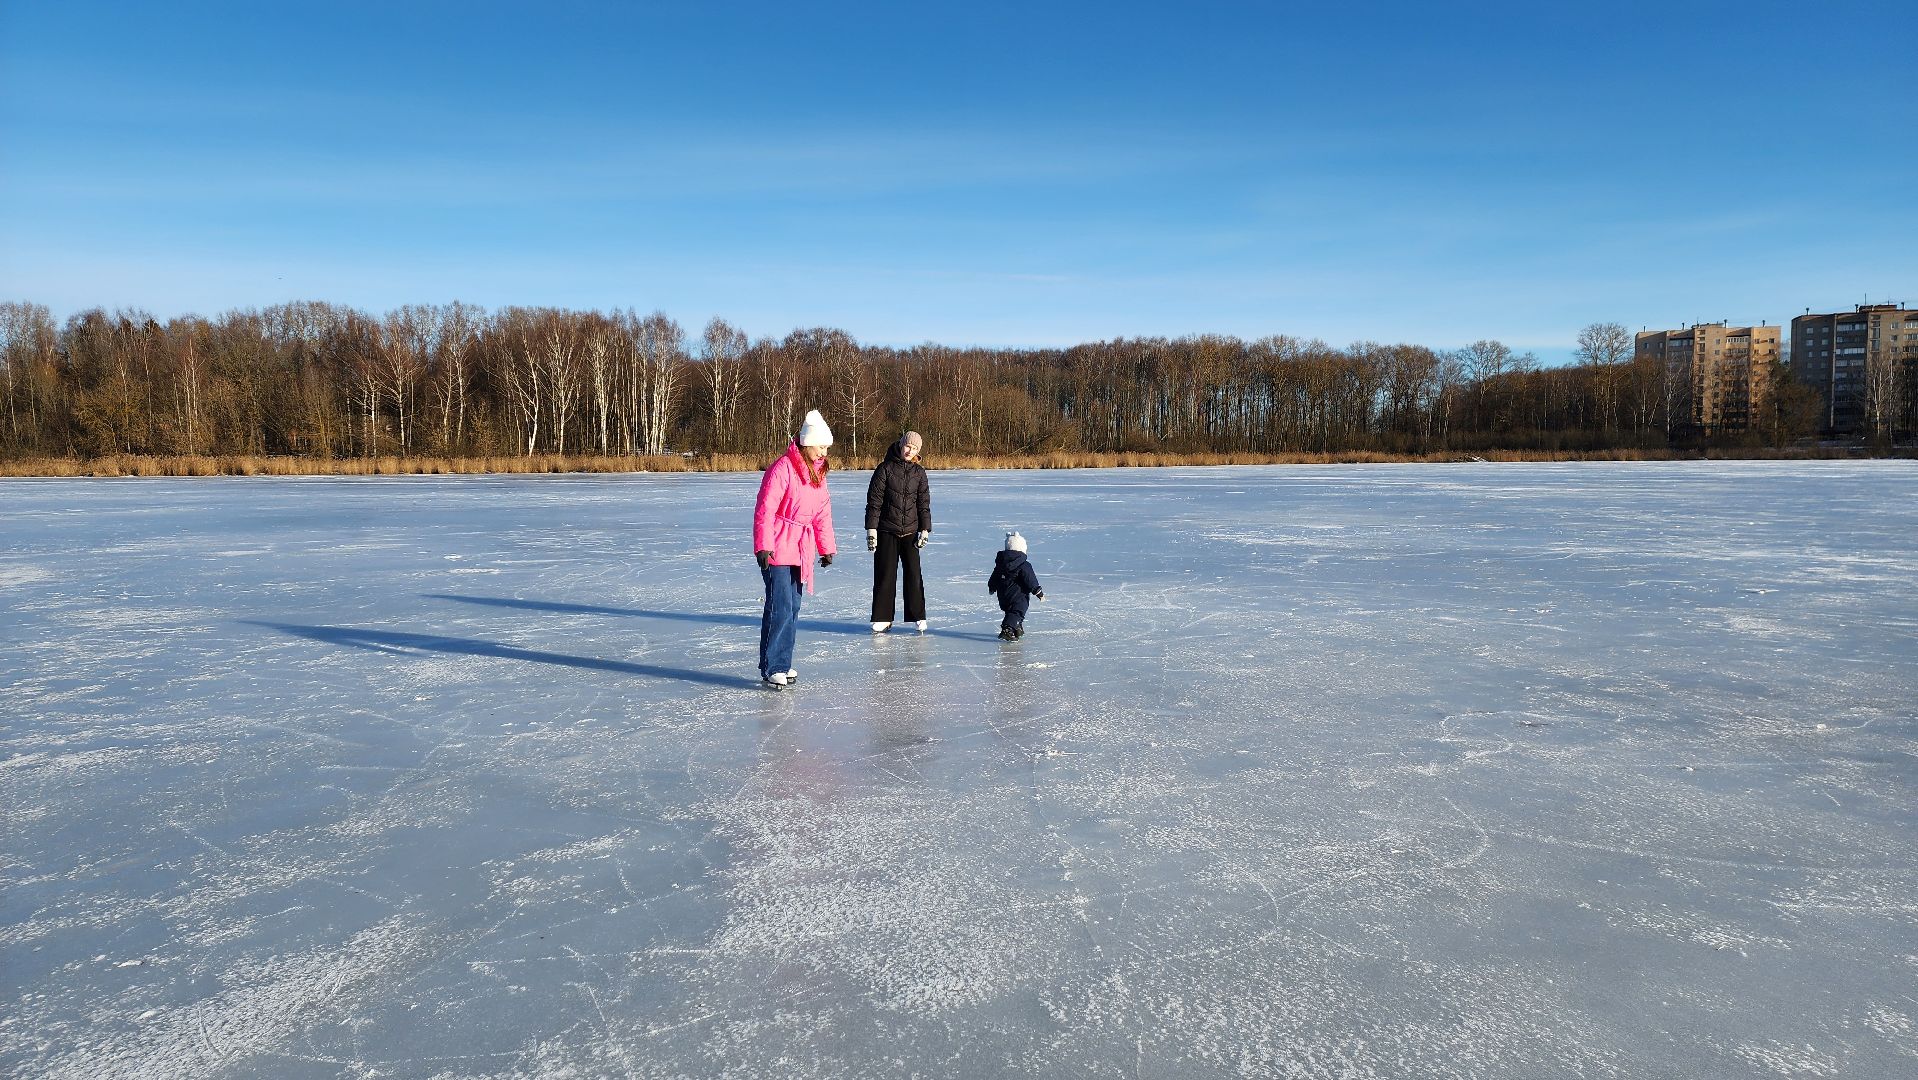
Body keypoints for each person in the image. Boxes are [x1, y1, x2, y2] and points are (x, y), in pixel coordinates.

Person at [752, 410, 838, 688]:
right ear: (806, 443)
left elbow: (822, 513)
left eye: (826, 447)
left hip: (801, 547)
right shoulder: (783, 468)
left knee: (794, 606)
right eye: (821, 446)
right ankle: (773, 665)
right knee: (781, 606)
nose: (824, 451)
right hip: (777, 546)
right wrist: (763, 545)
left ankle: (781, 662)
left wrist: (826, 548)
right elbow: (765, 509)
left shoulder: (818, 474)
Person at [865, 430, 932, 633]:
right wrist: (871, 530)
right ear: (901, 445)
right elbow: (874, 502)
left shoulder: (919, 473)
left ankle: (918, 615)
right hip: (887, 530)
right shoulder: (884, 469)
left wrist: (925, 529)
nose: (910, 451)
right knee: (885, 575)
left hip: (910, 531)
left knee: (914, 574)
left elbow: (923, 504)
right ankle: (883, 617)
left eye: (914, 448)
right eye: (908, 446)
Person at [987, 531, 1045, 641]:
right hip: (1018, 595)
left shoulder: (1000, 564)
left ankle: (1017, 627)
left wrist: (992, 586)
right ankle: (1008, 629)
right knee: (1017, 611)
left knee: (1011, 612)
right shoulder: (1024, 564)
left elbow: (995, 576)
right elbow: (1030, 579)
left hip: (1003, 595)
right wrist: (1038, 591)